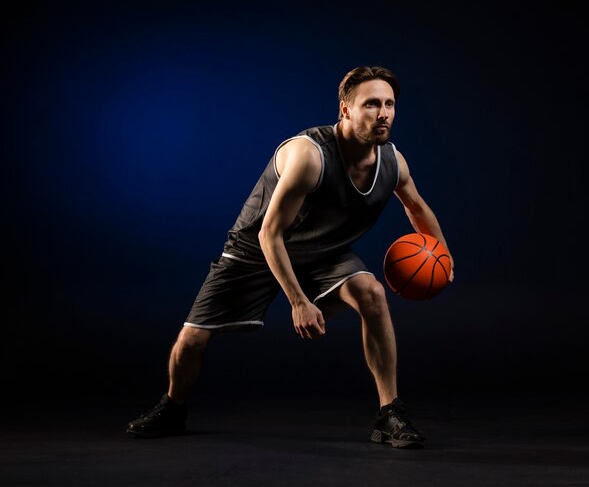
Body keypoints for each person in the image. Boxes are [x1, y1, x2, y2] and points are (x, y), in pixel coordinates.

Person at [126, 65, 454, 449]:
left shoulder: (393, 162)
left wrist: (442, 256)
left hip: (322, 252)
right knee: (193, 339)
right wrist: (298, 302)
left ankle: (390, 413)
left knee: (371, 293)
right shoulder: (309, 156)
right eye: (370, 104)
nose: (382, 113)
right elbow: (270, 233)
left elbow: (416, 207)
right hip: (255, 250)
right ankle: (172, 407)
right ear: (345, 110)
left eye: (389, 104)